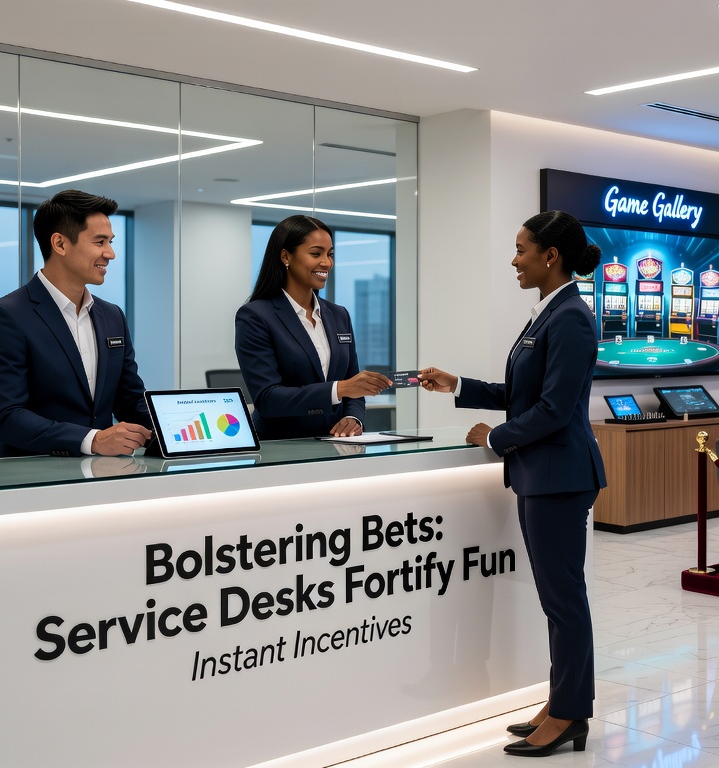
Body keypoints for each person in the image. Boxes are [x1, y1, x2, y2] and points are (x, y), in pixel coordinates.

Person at [417, 210, 606, 758]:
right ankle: (563, 700)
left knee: (564, 600)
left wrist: (495, 436)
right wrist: (458, 385)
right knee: (557, 600)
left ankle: (570, 713)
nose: (514, 260)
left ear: (551, 256)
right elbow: (523, 393)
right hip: (542, 476)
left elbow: (553, 410)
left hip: (559, 478)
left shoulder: (570, 317)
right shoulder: (549, 312)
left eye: (522, 249)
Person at [0, 189, 153, 458]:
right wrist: (93, 440)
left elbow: (130, 399)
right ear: (59, 244)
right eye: (100, 242)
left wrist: (175, 427)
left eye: (111, 242)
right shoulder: (4, 316)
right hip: (28, 473)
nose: (111, 253)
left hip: (102, 472)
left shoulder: (112, 316)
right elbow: (5, 417)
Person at [234, 215, 391, 439]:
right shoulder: (255, 316)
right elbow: (268, 399)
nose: (327, 263)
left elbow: (354, 385)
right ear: (286, 256)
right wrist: (339, 389)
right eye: (316, 254)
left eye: (330, 254)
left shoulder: (339, 315)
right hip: (281, 445)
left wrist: (353, 418)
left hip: (335, 444)